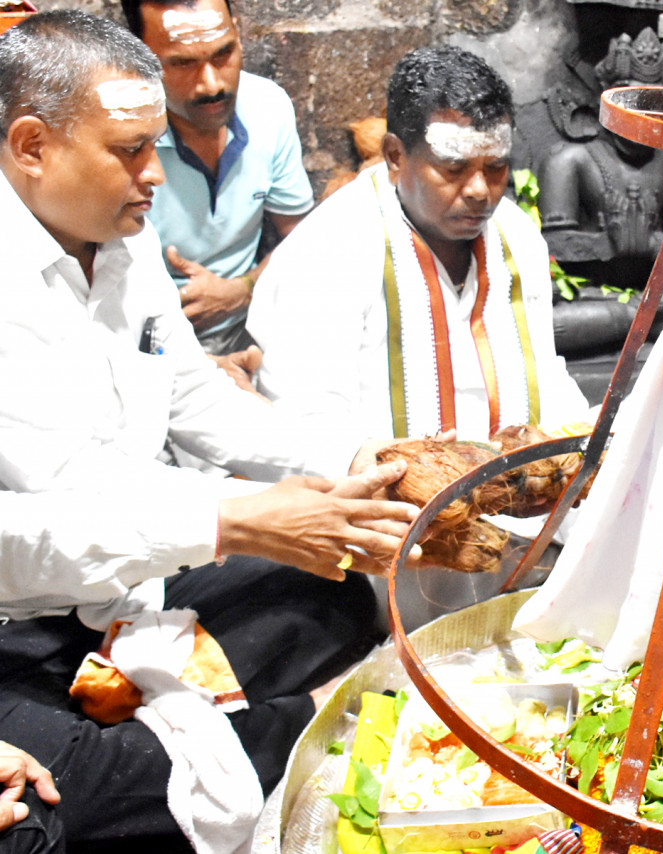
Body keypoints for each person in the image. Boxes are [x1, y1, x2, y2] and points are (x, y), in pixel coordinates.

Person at [0, 12, 422, 850]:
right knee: (53, 805)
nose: (154, 174)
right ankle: (292, 725)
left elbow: (193, 397)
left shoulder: (124, 236)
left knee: (331, 591)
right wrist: (236, 518)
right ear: (32, 147)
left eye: (153, 144)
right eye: (128, 151)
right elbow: (33, 528)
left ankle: (196, 726)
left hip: (126, 591)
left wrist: (346, 458)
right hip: (19, 628)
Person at [249, 44, 589, 443]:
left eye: (496, 167)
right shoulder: (330, 249)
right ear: (395, 156)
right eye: (454, 168)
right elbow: (310, 417)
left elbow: (545, 375)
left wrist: (572, 442)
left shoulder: (517, 236)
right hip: (380, 495)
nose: (480, 190)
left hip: (517, 493)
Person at [121, 0, 314, 355]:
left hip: (254, 325)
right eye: (182, 63)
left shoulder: (267, 107)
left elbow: (302, 238)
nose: (211, 85)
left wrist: (243, 289)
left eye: (223, 54)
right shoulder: (119, 136)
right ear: (139, 56)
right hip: (147, 345)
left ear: (238, 34)